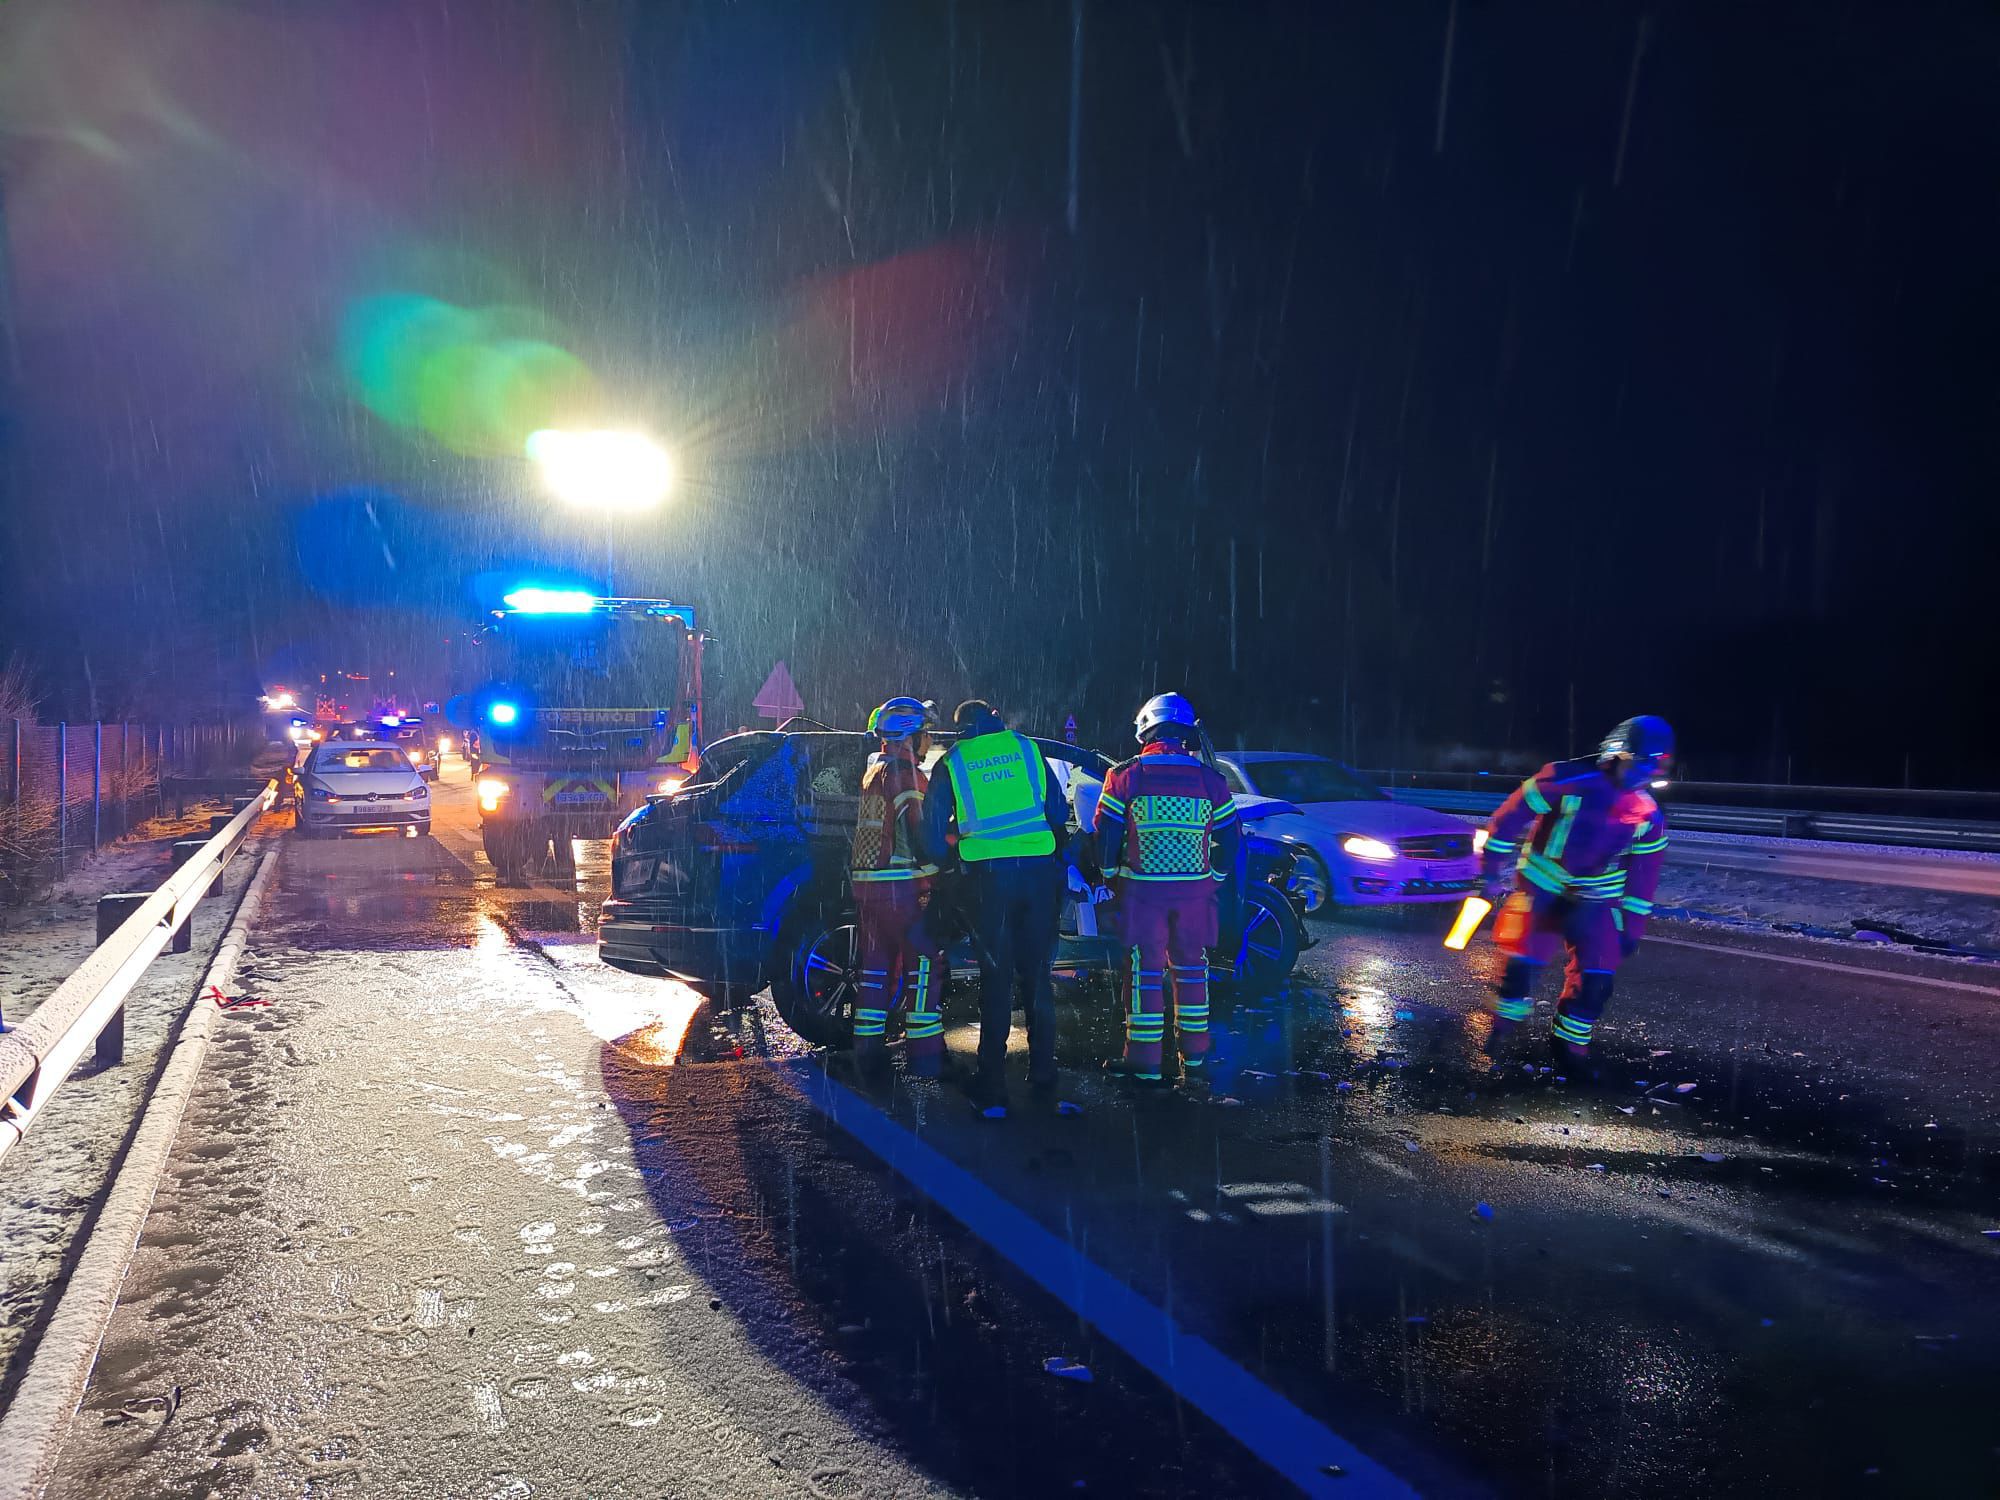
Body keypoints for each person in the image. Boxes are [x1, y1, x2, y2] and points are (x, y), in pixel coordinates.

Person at [1477, 715, 1673, 1059]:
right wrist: (1490, 871)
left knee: (1596, 982)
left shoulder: (1648, 813)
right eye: (1642, 763)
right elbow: (1509, 820)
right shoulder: (1563, 780)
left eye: (1657, 766)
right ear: (1617, 754)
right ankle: (1499, 1034)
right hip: (1542, 890)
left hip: (1595, 900)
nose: (1647, 774)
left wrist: (1631, 929)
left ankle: (1569, 1049)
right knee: (1518, 970)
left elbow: (1644, 877)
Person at [924, 700, 1069, 1116]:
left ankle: (991, 1085)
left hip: (987, 882)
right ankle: (1043, 1072)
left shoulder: (952, 761)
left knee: (996, 978)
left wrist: (945, 866)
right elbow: (1058, 812)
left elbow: (932, 835)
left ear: (961, 729)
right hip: (1038, 875)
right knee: (1037, 977)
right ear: (995, 719)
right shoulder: (1025, 748)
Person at [1092, 693, 1239, 1086]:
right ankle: (1195, 1059)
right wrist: (1214, 878)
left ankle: (1144, 1062)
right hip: (1195, 897)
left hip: (1143, 895)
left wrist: (1109, 876)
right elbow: (1231, 841)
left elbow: (1105, 835)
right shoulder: (1211, 780)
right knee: (1192, 971)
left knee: (1144, 972)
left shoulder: (1127, 775)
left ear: (1146, 728)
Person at [848, 697, 946, 1080]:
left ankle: (867, 1054)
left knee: (875, 970)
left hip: (869, 889)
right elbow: (919, 831)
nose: (929, 741)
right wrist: (939, 872)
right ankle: (926, 1058)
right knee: (923, 967)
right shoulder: (907, 775)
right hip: (902, 890)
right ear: (909, 736)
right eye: (926, 733)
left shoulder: (874, 772)